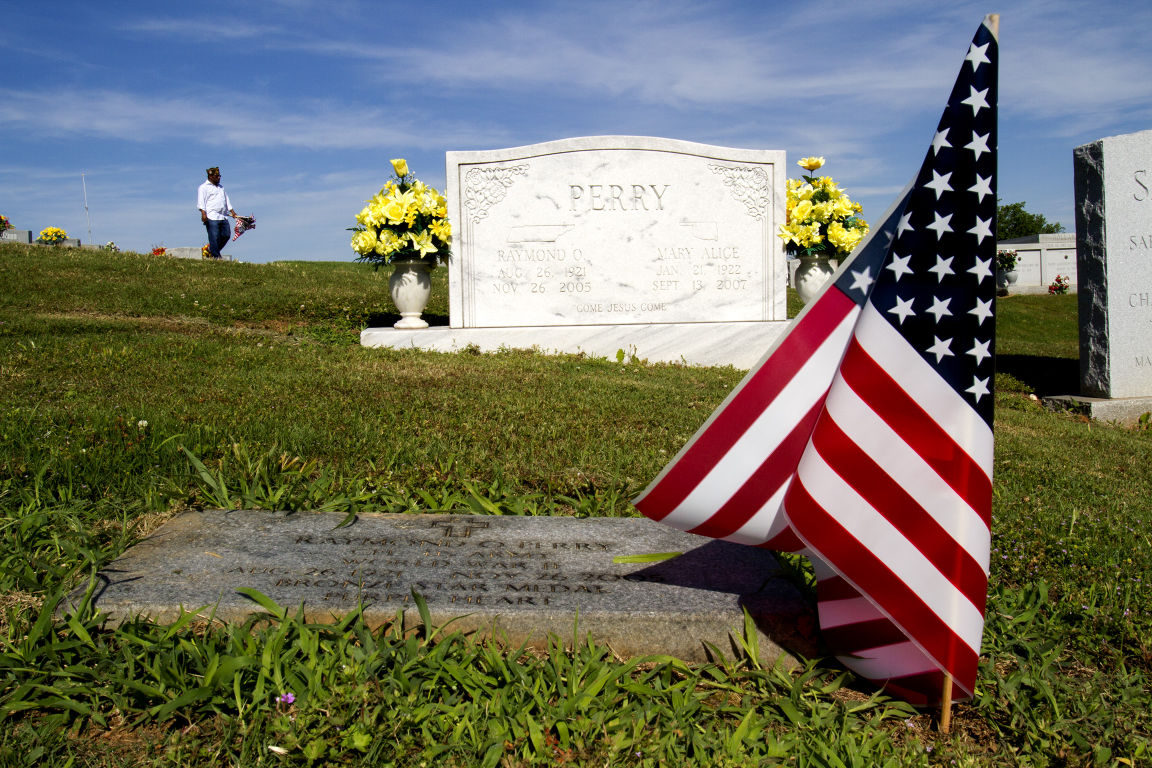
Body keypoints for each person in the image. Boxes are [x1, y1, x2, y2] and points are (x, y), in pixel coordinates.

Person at [197, 167, 238, 259]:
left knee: (226, 235)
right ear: (210, 176)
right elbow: (201, 202)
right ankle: (216, 256)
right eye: (217, 176)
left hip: (223, 216)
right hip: (211, 216)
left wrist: (232, 211)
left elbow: (226, 200)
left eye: (219, 176)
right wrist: (203, 214)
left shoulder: (221, 187)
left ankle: (212, 250)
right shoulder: (203, 187)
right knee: (214, 237)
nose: (219, 178)